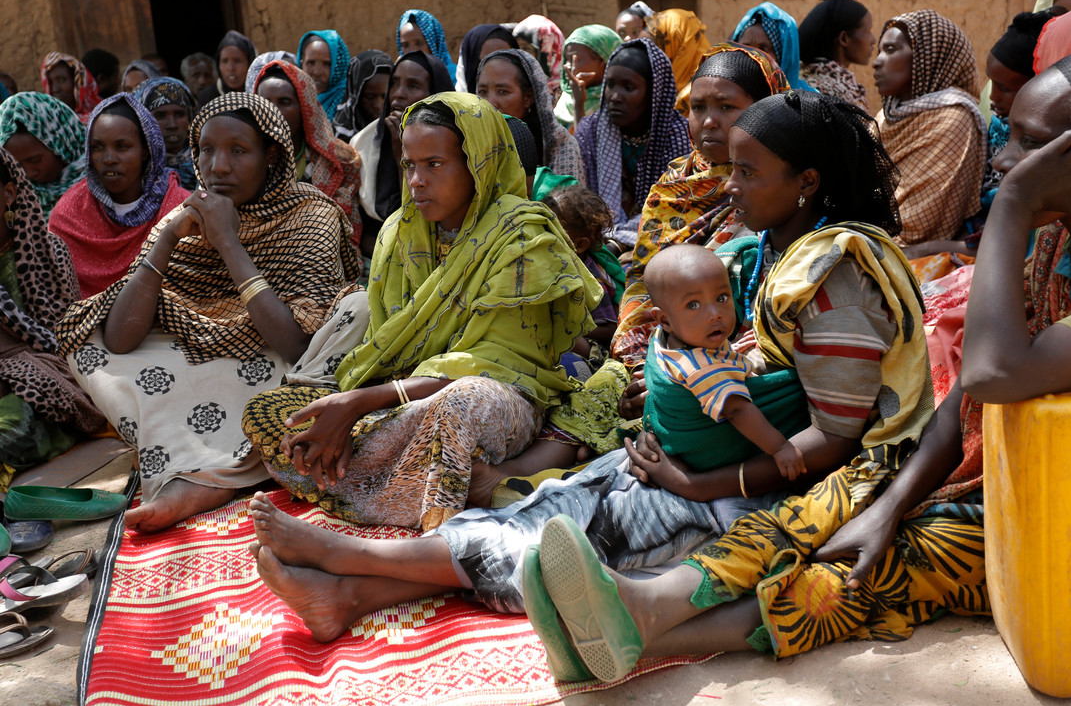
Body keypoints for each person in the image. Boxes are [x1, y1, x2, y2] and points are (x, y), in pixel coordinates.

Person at [243, 88, 929, 655]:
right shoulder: (762, 254)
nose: (730, 183)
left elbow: (836, 446)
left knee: (571, 549)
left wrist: (693, 479)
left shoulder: (832, 279)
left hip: (768, 491)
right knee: (551, 504)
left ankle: (350, 566)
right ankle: (349, 588)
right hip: (704, 456)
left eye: (748, 173)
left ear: (806, 182)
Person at [523, 49, 1071, 684]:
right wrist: (888, 499)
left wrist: (1011, 206)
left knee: (883, 566)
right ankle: (640, 607)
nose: (1003, 159)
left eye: (1031, 143)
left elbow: (995, 373)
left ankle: (646, 630)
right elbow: (964, 400)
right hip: (1009, 475)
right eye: (1010, 135)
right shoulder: (1054, 245)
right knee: (825, 512)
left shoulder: (1024, 230)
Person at [241, 92, 602, 530]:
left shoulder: (522, 235)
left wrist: (360, 402)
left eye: (435, 164)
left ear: (478, 165)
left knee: (459, 405)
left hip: (497, 398)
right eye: (410, 164)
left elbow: (496, 366)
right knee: (271, 414)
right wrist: (352, 409)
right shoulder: (400, 231)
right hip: (404, 404)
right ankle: (460, 483)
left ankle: (433, 535)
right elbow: (390, 347)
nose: (416, 181)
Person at [55, 92, 359, 534]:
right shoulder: (183, 219)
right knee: (89, 341)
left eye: (238, 151)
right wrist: (169, 237)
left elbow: (298, 344)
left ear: (271, 156)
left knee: (357, 313)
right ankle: (213, 464)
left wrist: (228, 244)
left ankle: (213, 477)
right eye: (207, 151)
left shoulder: (310, 217)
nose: (218, 166)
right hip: (199, 370)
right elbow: (121, 339)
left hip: (275, 364)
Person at [613, 43, 788, 368]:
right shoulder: (674, 183)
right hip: (653, 345)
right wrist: (643, 360)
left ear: (765, 109)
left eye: (726, 106)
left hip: (735, 356)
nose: (709, 121)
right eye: (698, 107)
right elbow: (642, 279)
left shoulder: (779, 188)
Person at [640, 244, 804, 476]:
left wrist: (733, 349)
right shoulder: (704, 367)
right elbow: (737, 410)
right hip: (707, 448)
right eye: (693, 305)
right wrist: (780, 447)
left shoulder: (670, 337)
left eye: (721, 297)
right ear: (664, 319)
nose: (714, 313)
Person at [0, 148, 104, 479]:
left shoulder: (48, 250)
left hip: (41, 371)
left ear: (9, 194)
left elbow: (64, 337)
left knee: (14, 426)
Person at [48, 93, 191, 298]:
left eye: (122, 147)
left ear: (145, 150)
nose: (109, 159)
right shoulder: (68, 215)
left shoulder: (177, 208)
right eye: (98, 147)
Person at [873, 10, 984, 250]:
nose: (877, 61)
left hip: (911, 256)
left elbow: (916, 227)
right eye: (879, 50)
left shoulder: (953, 119)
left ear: (927, 57)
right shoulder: (884, 116)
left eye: (891, 50)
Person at [576, 38, 690, 253]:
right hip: (595, 239)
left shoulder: (678, 136)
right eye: (610, 85)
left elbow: (676, 207)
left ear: (653, 93)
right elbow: (581, 200)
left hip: (661, 239)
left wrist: (621, 243)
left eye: (629, 87)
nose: (615, 97)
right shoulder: (590, 132)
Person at [350, 51, 453, 259]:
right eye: (394, 84)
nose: (399, 94)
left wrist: (403, 155)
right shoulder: (364, 142)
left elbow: (424, 222)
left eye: (413, 86)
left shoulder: (454, 148)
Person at [254, 60, 362, 247]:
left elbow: (346, 231)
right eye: (264, 102)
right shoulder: (244, 158)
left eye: (285, 102)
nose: (272, 111)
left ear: (305, 106)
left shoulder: (339, 160)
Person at [982, 9, 1063, 203]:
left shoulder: (1050, 139)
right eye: (992, 83)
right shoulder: (998, 128)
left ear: (1037, 84)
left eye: (1004, 88)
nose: (992, 96)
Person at [476, 50, 585, 185]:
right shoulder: (470, 143)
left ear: (528, 97)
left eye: (503, 91)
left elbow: (568, 202)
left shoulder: (559, 146)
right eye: (482, 92)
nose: (490, 102)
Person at [542, 184, 621, 352]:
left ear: (579, 244)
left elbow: (610, 328)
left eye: (552, 230)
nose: (542, 235)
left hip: (592, 348)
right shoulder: (552, 264)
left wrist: (568, 329)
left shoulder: (593, 279)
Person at [0, 92, 86, 217]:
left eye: (35, 160)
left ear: (61, 143)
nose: (29, 173)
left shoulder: (103, 180)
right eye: (16, 165)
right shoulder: (14, 196)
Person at [797, 0, 875, 112]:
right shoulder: (830, 96)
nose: (873, 40)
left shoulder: (805, 81)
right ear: (844, 38)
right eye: (868, 31)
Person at [731, 2, 817, 92]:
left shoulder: (808, 102)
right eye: (746, 48)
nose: (753, 56)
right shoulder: (727, 95)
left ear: (782, 58)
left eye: (763, 49)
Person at [134, 77, 199, 190]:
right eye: (160, 116)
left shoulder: (207, 162)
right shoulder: (134, 169)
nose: (172, 124)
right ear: (142, 120)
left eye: (179, 114)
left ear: (190, 117)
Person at [554, 25, 621, 131]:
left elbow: (584, 144)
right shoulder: (566, 98)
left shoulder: (616, 102)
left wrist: (578, 104)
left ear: (603, 61)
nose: (568, 66)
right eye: (566, 59)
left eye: (575, 59)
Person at [644, 9, 712, 112]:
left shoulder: (705, 89)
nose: (653, 54)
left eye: (659, 46)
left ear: (678, 45)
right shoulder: (657, 85)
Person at [333, 51, 393, 142]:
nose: (378, 105)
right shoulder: (340, 136)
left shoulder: (400, 132)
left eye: (384, 97)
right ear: (356, 95)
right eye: (370, 97)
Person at [297, 30, 350, 122]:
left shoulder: (347, 104)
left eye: (327, 64)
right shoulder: (292, 100)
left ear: (339, 66)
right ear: (302, 65)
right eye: (311, 63)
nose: (317, 72)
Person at [197, 31, 257, 107]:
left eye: (237, 61)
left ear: (250, 63)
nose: (230, 68)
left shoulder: (261, 93)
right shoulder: (209, 97)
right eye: (225, 61)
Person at [512, 15, 565, 100]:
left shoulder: (566, 91)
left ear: (547, 51)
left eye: (526, 48)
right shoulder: (515, 83)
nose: (519, 54)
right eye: (516, 48)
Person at [396, 10, 457, 83]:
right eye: (405, 45)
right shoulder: (398, 78)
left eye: (419, 43)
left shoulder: (454, 77)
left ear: (434, 45)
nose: (412, 51)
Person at [455, 24, 517, 94]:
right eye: (486, 62)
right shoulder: (454, 103)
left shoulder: (527, 99)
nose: (497, 70)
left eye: (504, 61)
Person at [40, 52, 101, 124]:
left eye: (61, 80)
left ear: (77, 81)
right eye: (50, 83)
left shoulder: (101, 119)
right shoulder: (45, 123)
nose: (55, 89)